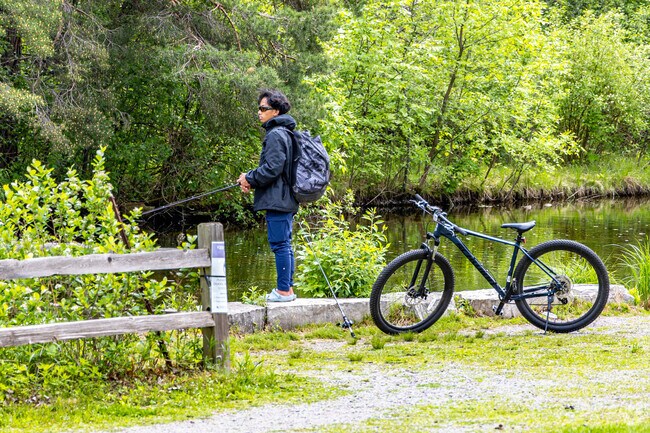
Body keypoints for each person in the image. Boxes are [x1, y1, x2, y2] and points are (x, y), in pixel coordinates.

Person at [238, 89, 298, 302]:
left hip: (278, 200)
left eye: (264, 108)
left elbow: (272, 168)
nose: (259, 112)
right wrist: (250, 180)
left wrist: (249, 177)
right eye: (259, 108)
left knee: (280, 244)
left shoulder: (275, 134)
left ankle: (283, 291)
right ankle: (287, 289)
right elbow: (278, 170)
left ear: (276, 111)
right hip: (285, 198)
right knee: (285, 243)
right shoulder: (286, 133)